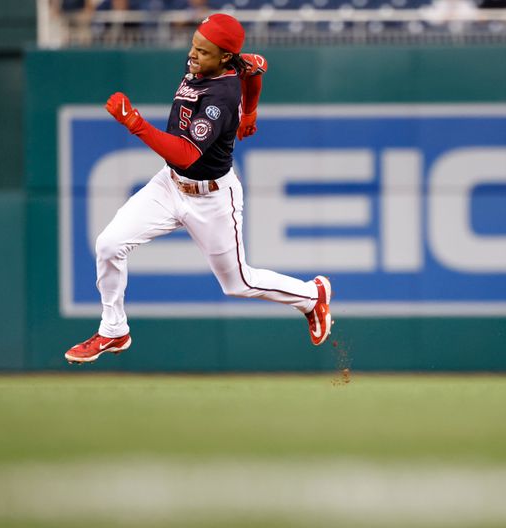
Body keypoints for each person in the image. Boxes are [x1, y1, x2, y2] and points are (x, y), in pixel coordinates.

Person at [65, 13, 332, 364]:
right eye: (194, 44)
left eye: (203, 51)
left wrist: (134, 122)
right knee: (109, 244)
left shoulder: (220, 95)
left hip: (212, 198)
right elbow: (256, 67)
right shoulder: (226, 63)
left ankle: (312, 296)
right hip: (169, 185)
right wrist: (251, 112)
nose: (193, 55)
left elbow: (186, 153)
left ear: (223, 57)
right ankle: (114, 330)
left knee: (237, 283)